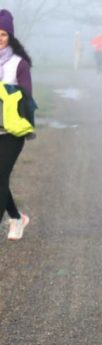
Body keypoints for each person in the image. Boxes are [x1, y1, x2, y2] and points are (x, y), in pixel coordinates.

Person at [0, 9, 36, 240]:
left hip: (12, 131)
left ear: (10, 37)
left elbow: (26, 96)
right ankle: (16, 218)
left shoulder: (18, 64)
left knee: (1, 176)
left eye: (3, 35)